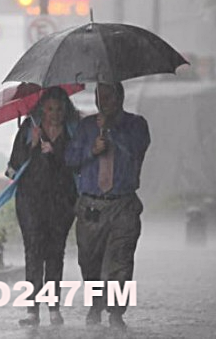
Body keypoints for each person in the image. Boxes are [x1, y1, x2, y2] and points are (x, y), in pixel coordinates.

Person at [65, 82, 150, 332]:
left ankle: (115, 312)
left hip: (123, 204)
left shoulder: (136, 125)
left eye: (109, 96)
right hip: (91, 205)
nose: (104, 102)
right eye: (99, 97)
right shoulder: (85, 127)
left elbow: (136, 151)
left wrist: (112, 133)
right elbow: (71, 159)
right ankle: (95, 303)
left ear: (120, 97)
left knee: (121, 261)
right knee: (89, 260)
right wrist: (92, 150)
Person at [6, 86, 80, 327]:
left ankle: (54, 308)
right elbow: (12, 168)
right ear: (42, 109)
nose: (54, 114)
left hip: (61, 202)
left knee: (55, 253)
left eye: (59, 109)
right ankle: (32, 310)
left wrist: (56, 151)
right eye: (49, 109)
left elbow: (79, 163)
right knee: (34, 251)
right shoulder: (29, 129)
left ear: (65, 110)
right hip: (30, 201)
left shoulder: (73, 132)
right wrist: (32, 145)